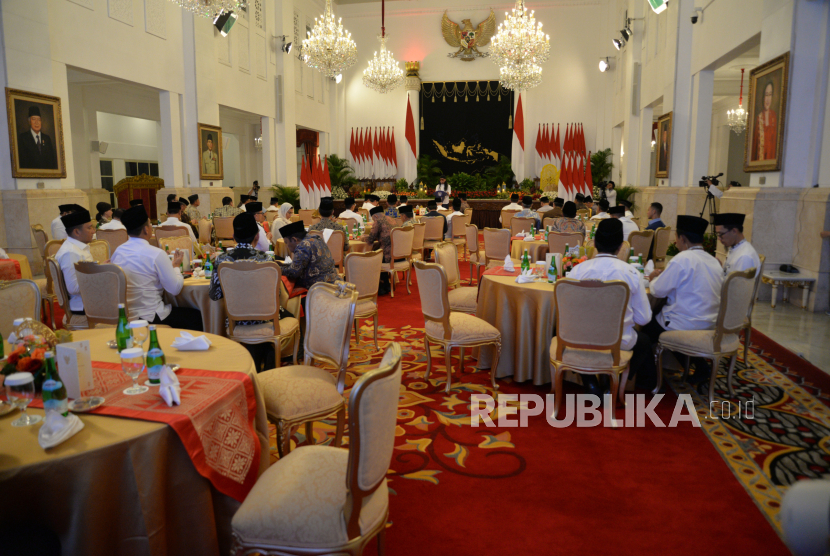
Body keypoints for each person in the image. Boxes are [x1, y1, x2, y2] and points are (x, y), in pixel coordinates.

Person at [569, 219, 655, 391]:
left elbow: (570, 311)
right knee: (644, 341)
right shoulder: (631, 273)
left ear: (595, 244)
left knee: (557, 332)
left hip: (580, 338)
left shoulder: (577, 270)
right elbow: (644, 318)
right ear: (620, 247)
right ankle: (613, 383)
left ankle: (590, 383)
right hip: (618, 341)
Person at [642, 215, 723, 385]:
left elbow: (657, 290)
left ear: (683, 238)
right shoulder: (714, 260)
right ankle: (700, 366)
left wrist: (653, 277)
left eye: (676, 238)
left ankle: (650, 379)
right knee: (666, 317)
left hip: (686, 323)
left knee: (645, 328)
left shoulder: (682, 259)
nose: (675, 242)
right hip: (710, 322)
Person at [209, 213, 292, 371]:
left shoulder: (221, 261)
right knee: (287, 314)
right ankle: (270, 365)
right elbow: (277, 296)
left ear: (234, 236)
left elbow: (214, 295)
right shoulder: (266, 260)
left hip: (235, 322)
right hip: (265, 320)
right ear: (256, 236)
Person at [111, 205, 203, 330]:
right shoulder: (155, 253)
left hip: (125, 315)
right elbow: (174, 289)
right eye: (149, 224)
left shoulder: (118, 251)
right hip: (150, 315)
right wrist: (175, 267)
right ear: (146, 230)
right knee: (197, 316)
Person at [55, 208, 95, 314]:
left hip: (89, 301)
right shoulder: (70, 253)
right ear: (77, 232)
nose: (93, 231)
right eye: (89, 228)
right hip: (83, 306)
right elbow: (73, 288)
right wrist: (100, 273)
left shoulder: (77, 248)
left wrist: (99, 268)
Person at [278, 221, 338, 290]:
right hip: (333, 282)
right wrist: (284, 265)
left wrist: (277, 268)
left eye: (286, 242)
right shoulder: (316, 238)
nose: (287, 246)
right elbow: (300, 264)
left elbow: (293, 273)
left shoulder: (303, 246)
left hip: (319, 288)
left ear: (294, 240)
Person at [714, 213, 761, 277]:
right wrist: (719, 268)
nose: (719, 238)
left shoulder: (744, 257)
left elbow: (737, 286)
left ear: (734, 231)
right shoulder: (736, 248)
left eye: (721, 234)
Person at [363, 206, 396, 295]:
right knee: (378, 252)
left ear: (376, 217)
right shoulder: (392, 219)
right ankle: (386, 283)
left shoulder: (378, 221)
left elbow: (370, 240)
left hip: (387, 254)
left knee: (370, 258)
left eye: (373, 219)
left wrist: (363, 238)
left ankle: (380, 287)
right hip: (396, 252)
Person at [17, 105, 58, 170]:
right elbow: (22, 162)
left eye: (39, 120)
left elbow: (52, 162)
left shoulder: (47, 138)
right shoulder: (23, 138)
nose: (37, 122)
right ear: (29, 121)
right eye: (34, 119)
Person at [752, 81, 778, 162]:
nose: (768, 99)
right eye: (766, 95)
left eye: (770, 95)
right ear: (763, 97)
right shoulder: (759, 118)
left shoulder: (774, 116)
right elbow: (754, 147)